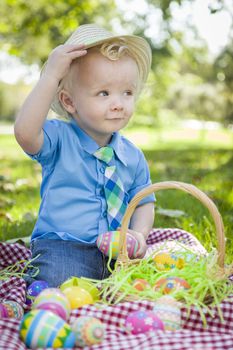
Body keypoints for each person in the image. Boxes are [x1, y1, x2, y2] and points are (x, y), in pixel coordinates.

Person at [14, 23, 155, 287]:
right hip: (65, 247)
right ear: (69, 102)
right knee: (57, 280)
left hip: (117, 252)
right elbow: (24, 133)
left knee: (145, 283)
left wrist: (138, 235)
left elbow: (143, 200)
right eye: (104, 93)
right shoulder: (59, 139)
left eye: (127, 92)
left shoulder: (132, 155)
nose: (118, 103)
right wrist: (50, 77)